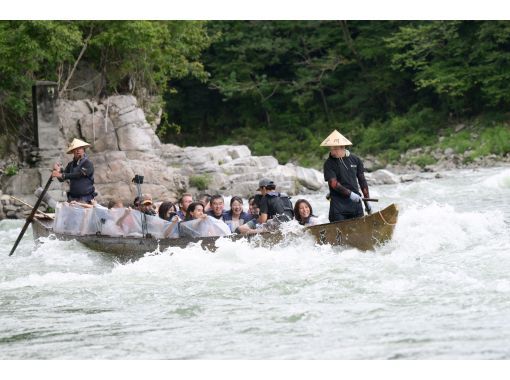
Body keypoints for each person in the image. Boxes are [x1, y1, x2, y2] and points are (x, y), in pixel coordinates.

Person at [321, 129, 371, 222]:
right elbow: (333, 183)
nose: (332, 152)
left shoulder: (356, 160)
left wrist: (367, 201)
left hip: (356, 204)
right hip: (338, 206)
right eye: (331, 149)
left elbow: (362, 181)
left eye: (335, 149)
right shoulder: (328, 164)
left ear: (343, 147)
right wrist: (350, 194)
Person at [52, 138, 96, 203]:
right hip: (72, 198)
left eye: (80, 148)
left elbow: (79, 174)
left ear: (83, 150)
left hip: (86, 198)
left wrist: (62, 174)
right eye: (76, 149)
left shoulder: (88, 163)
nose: (78, 151)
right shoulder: (70, 164)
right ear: (73, 151)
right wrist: (58, 171)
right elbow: (61, 179)